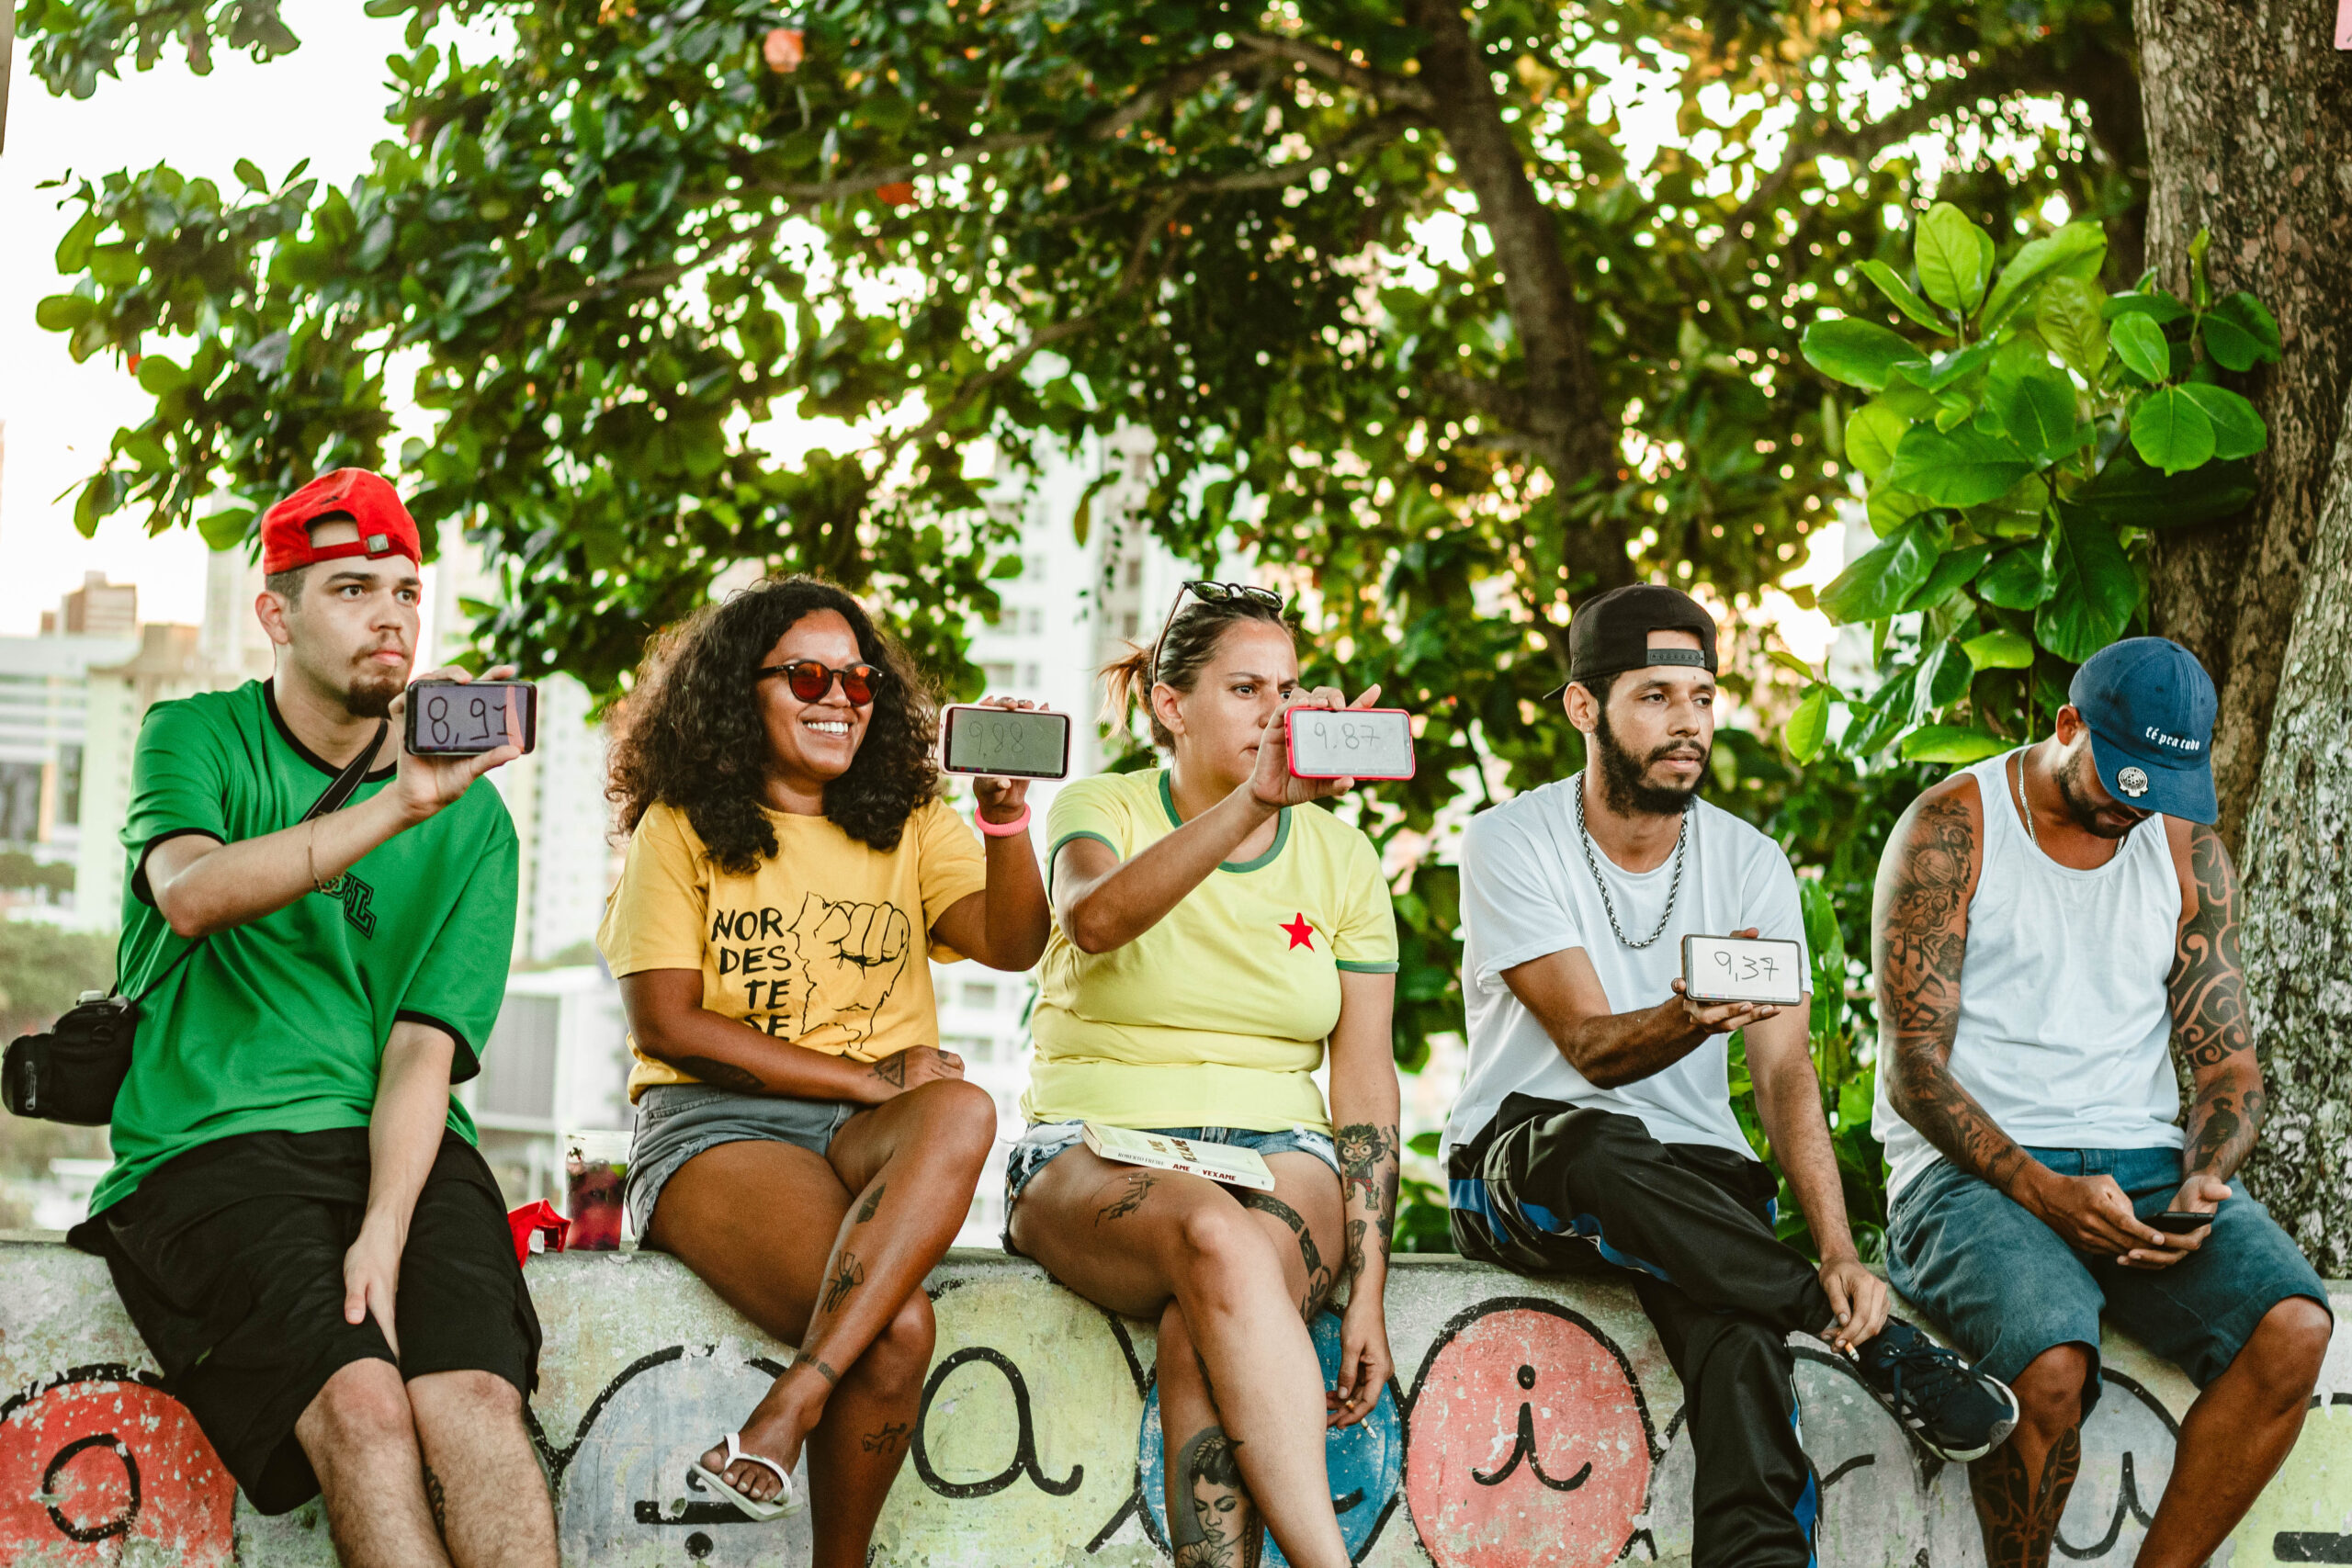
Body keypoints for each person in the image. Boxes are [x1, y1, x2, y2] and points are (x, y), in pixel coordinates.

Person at [1443, 582, 2019, 1568]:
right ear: (1585, 708)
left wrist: (1838, 1252)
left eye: (1703, 697)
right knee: (1594, 1138)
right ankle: (1873, 1347)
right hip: (1527, 1167)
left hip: (1692, 1188)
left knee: (1739, 1345)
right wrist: (1682, 1016)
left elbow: (1785, 1074)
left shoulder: (1750, 864)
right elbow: (1588, 1048)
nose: (1688, 724)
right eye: (1656, 697)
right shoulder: (1512, 841)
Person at [66, 469, 549, 1568]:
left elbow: (423, 1053)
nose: (391, 616)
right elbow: (190, 891)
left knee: (474, 1403)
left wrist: (383, 1226)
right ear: (275, 615)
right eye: (350, 588)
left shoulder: (477, 826)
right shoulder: (195, 735)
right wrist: (398, 802)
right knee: (364, 1412)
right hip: (212, 1140)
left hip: (399, 1145)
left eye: (407, 590)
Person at [596, 576, 1049, 1555]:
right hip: (717, 1127)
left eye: (859, 681)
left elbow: (1013, 942)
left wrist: (1007, 822)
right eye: (806, 676)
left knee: (964, 1107)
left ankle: (789, 1405)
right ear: (737, 694)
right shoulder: (678, 828)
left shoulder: (912, 822)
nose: (838, 698)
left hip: (861, 1133)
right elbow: (668, 1021)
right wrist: (868, 1079)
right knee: (897, 1331)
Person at [1871, 637, 2332, 1568]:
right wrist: (2047, 1196)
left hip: (2138, 1163)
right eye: (2121, 774)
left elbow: (2228, 1071)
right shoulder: (1952, 828)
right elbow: (1912, 1070)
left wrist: (2205, 1173)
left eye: (2159, 783)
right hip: (1969, 1174)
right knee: (2048, 1368)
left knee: (2292, 1330)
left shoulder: (2185, 852)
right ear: (2067, 726)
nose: (2134, 801)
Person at [1004, 581, 1401, 1568]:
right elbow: (1093, 919)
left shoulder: (1344, 859)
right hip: (1092, 1148)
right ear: (1169, 706)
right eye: (1245, 689)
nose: (1278, 713)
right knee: (1213, 1236)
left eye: (1291, 688)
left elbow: (1361, 1086)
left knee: (1202, 1324)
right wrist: (1249, 805)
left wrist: (1369, 1287)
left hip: (1280, 1152)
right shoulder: (1100, 807)